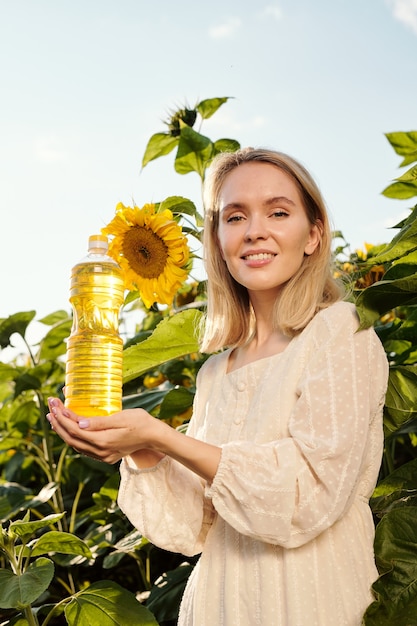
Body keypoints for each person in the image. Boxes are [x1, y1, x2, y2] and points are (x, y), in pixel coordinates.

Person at [47, 148, 389, 626]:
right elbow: (199, 527)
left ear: (313, 234)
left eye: (278, 212)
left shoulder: (340, 332)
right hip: (221, 603)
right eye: (235, 216)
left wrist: (161, 435)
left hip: (312, 597)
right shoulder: (216, 370)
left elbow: (309, 494)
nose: (254, 230)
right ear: (219, 240)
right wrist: (142, 450)